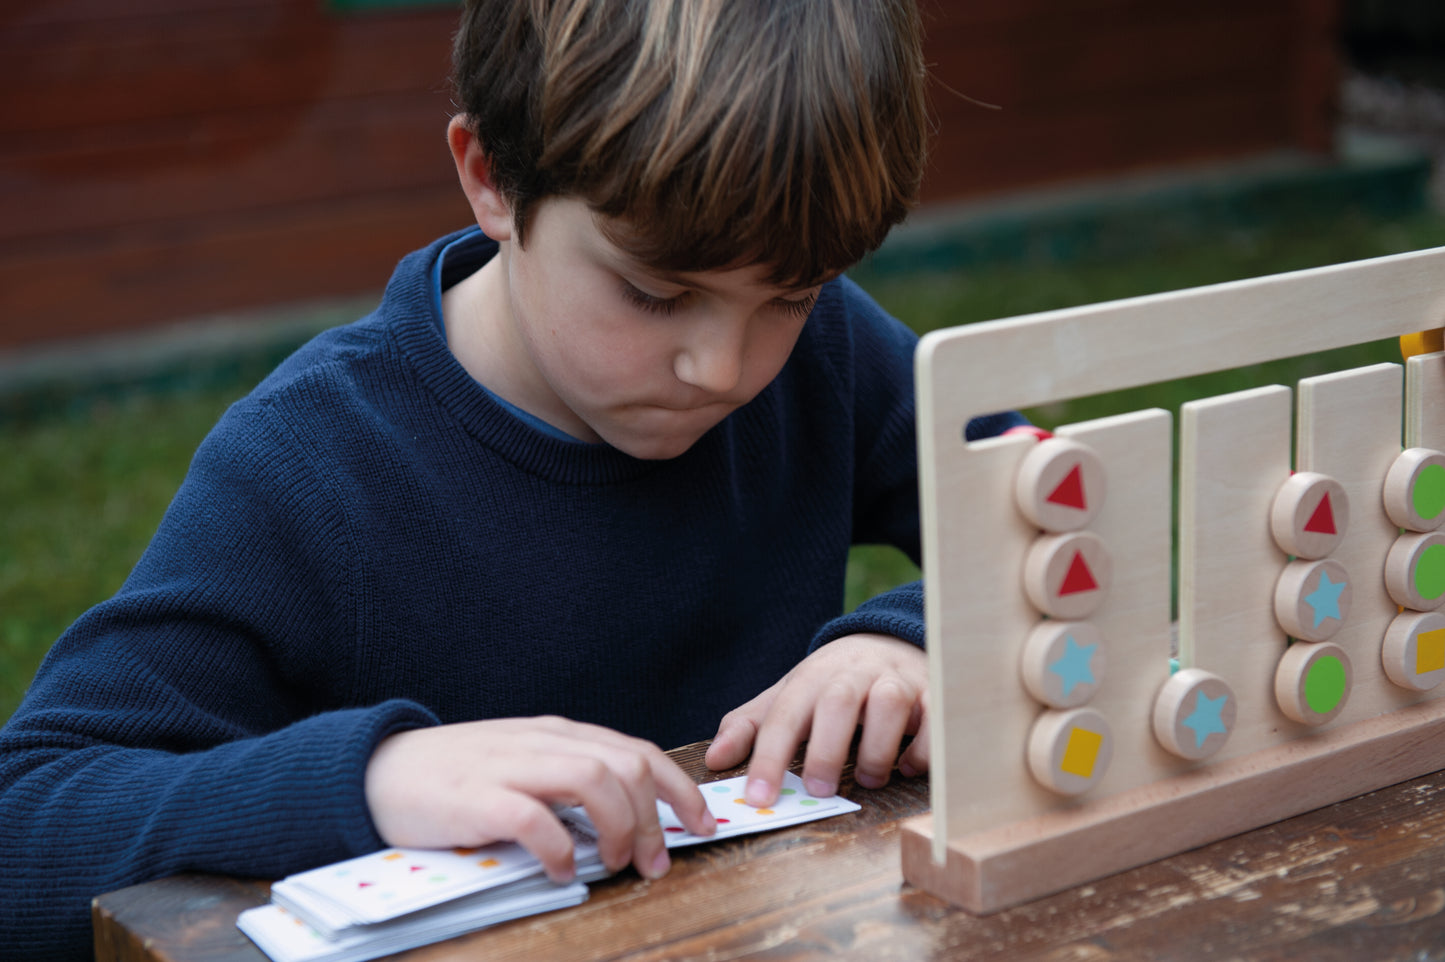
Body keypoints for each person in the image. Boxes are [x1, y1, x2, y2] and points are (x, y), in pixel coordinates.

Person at [0, 0, 1026, 956]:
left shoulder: (828, 350)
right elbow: (27, 818)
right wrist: (369, 776)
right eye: (654, 292)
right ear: (491, 177)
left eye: (788, 294)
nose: (722, 367)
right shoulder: (313, 464)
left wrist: (907, 637)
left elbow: (1056, 512)